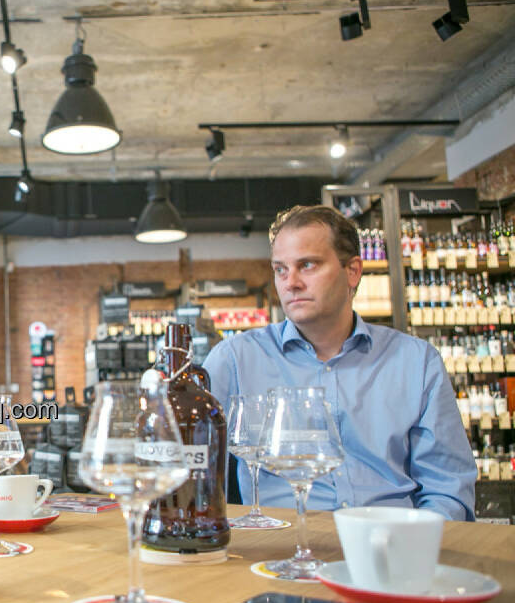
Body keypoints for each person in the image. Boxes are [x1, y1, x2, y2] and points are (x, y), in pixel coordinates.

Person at [203, 205, 476, 521]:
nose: (290, 283)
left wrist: (417, 544)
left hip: (393, 542)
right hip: (277, 548)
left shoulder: (416, 361)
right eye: (280, 269)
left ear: (353, 271)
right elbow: (198, 478)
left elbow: (448, 489)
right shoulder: (235, 360)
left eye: (307, 265)